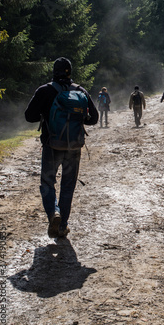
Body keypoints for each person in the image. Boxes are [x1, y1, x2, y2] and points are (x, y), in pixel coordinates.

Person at [25, 57, 98, 238]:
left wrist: (45, 113)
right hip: (74, 146)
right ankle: (62, 226)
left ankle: (53, 214)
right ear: (70, 72)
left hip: (52, 145)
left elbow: (29, 116)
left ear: (53, 72)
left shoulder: (45, 90)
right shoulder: (80, 91)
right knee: (68, 186)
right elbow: (94, 118)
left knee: (48, 183)